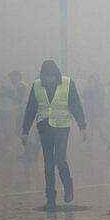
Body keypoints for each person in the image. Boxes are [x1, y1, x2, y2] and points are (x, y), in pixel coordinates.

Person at [22, 60, 87, 211]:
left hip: (62, 127)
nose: (49, 80)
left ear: (56, 74)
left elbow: (75, 104)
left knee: (60, 159)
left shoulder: (68, 83)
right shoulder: (37, 85)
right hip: (44, 127)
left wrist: (82, 126)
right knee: (48, 164)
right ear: (42, 76)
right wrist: (25, 130)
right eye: (46, 77)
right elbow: (31, 108)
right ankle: (50, 199)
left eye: (51, 76)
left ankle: (68, 184)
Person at [82, 73, 110, 152]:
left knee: (98, 130)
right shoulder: (88, 88)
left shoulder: (100, 89)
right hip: (90, 112)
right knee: (91, 130)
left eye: (93, 80)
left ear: (96, 81)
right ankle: (90, 146)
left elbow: (100, 99)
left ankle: (107, 142)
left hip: (97, 113)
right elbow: (83, 95)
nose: (92, 82)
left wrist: (92, 95)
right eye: (90, 80)